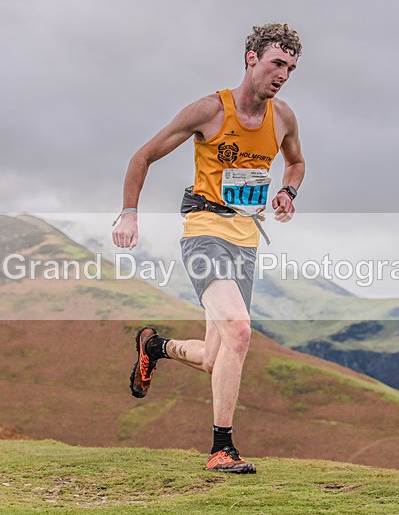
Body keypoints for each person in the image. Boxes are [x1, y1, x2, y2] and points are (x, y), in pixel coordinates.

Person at [112, 23, 305, 473]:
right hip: (204, 232)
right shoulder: (209, 110)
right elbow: (142, 156)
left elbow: (295, 163)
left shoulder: (284, 118)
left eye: (291, 68)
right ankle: (222, 448)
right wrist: (128, 212)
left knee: (218, 356)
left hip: (247, 240)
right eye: (277, 63)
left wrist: (287, 193)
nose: (283, 75)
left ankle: (155, 347)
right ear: (251, 58)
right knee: (240, 331)